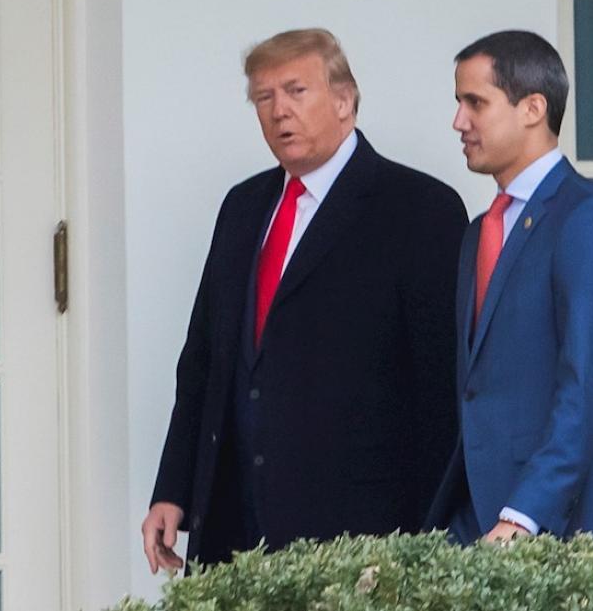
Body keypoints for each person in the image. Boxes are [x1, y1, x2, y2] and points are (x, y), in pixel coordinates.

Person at [141, 28, 466, 573]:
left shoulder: (419, 209)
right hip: (236, 526)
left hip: (362, 536)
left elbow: (439, 389)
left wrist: (428, 543)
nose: (278, 111)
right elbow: (203, 363)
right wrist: (173, 490)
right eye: (263, 98)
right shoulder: (243, 208)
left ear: (344, 100)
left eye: (296, 91)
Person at [424, 30, 593, 544]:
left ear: (533, 108)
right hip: (476, 522)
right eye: (458, 103)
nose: (459, 121)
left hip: (557, 529)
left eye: (475, 102)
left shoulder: (589, 221)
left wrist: (523, 512)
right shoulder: (480, 230)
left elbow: (588, 388)